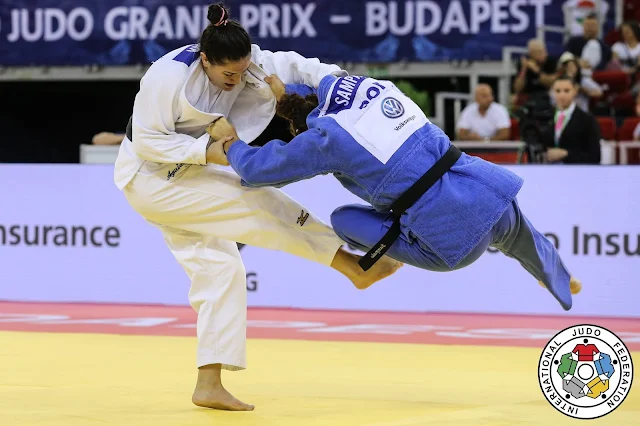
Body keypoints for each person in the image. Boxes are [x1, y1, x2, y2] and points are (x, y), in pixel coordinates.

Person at [113, 3, 401, 412]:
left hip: (189, 172)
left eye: (242, 70)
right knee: (261, 202)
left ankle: (208, 384)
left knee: (221, 270)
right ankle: (352, 266)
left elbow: (299, 66)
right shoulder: (167, 76)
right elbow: (146, 141)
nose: (236, 80)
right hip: (150, 178)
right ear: (205, 59)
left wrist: (342, 83)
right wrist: (209, 149)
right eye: (227, 74)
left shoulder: (249, 63)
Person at [205, 74, 583, 315]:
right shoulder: (376, 87)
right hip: (485, 188)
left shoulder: (325, 138)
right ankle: (557, 275)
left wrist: (233, 142)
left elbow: (257, 171)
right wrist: (286, 93)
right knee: (519, 235)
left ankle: (377, 262)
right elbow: (318, 85)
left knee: (343, 220)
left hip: (449, 240)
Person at [541, 75, 602, 164]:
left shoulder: (587, 120)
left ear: (575, 91)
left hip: (576, 170)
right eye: (557, 91)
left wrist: (567, 154)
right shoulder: (546, 116)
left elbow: (595, 156)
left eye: (566, 91)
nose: (562, 95)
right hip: (550, 169)